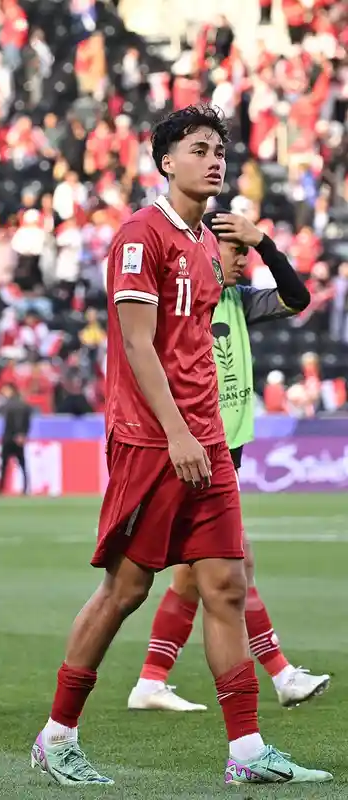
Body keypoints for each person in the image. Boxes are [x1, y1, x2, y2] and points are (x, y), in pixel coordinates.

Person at [30, 105, 330, 786]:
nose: (215, 159)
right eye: (200, 148)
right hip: (153, 441)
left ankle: (248, 751)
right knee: (126, 589)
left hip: (208, 440)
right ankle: (57, 735)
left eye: (220, 149)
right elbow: (137, 343)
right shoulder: (142, 235)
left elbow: (287, 300)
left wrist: (202, 435)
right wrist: (176, 433)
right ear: (166, 161)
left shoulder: (203, 243)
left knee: (225, 583)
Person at [127, 210, 325, 713]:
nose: (245, 261)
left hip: (224, 445)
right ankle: (280, 674)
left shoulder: (239, 300)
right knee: (233, 563)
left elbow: (298, 299)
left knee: (195, 574)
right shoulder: (185, 303)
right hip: (193, 446)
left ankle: (151, 680)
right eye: (237, 251)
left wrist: (264, 241)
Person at [0, 383, 32, 495]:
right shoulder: (25, 406)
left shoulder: (7, 405)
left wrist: (14, 434)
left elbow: (10, 423)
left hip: (8, 438)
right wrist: (22, 435)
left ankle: (1, 490)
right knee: (23, 465)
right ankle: (26, 489)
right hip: (19, 439)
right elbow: (27, 423)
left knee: (4, 466)